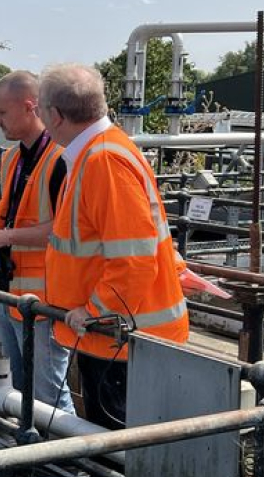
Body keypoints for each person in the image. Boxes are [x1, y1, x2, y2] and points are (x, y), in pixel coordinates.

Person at [38, 63, 189, 430]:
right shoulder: (101, 151)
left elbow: (133, 259)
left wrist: (96, 313)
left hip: (121, 339)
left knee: (117, 445)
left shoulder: (102, 160)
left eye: (40, 109)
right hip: (119, 335)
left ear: (55, 116)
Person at [0, 70, 74, 413]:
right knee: (12, 385)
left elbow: (66, 228)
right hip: (6, 290)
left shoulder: (61, 158)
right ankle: (23, 441)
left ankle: (67, 448)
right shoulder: (13, 158)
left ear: (30, 107)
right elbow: (16, 214)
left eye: (1, 112)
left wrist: (4, 235)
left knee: (48, 392)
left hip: (45, 300)